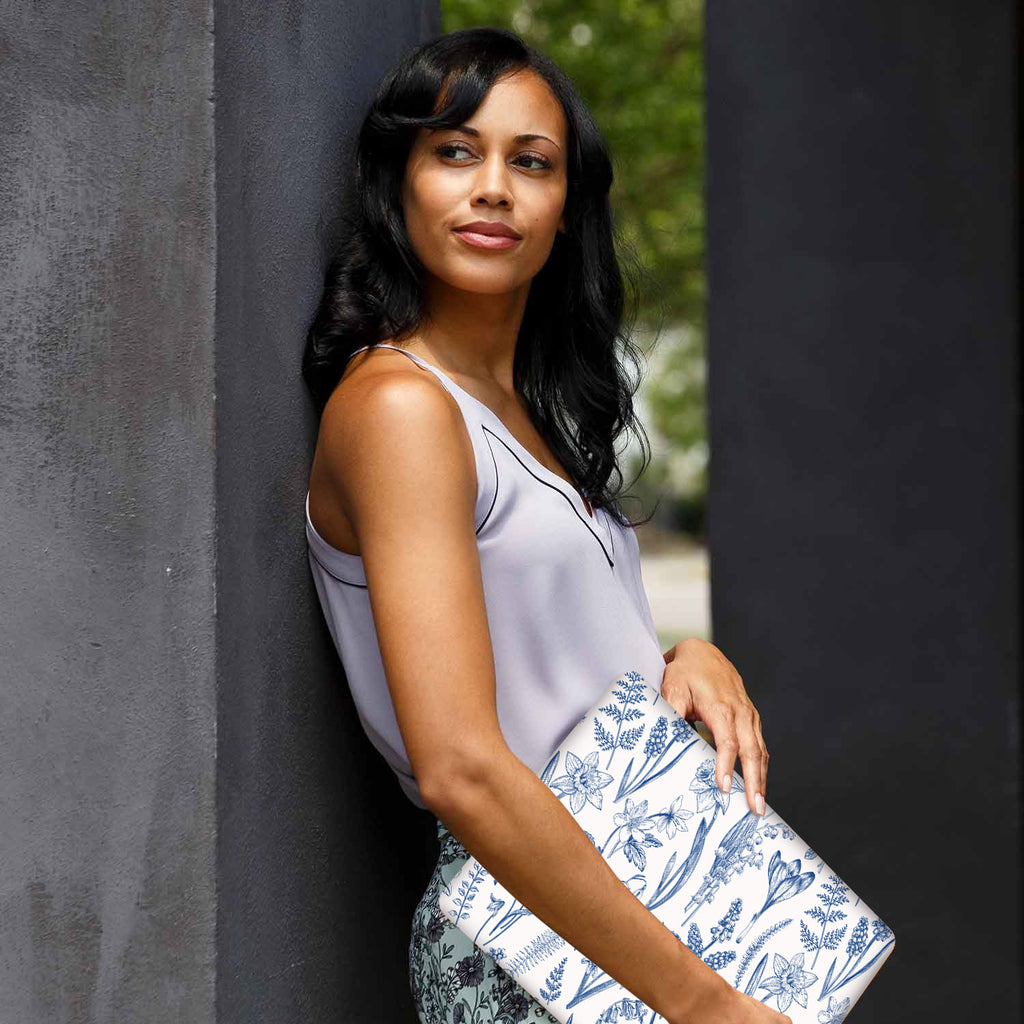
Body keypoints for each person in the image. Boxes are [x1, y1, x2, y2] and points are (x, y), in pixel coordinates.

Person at [301, 26, 788, 1024]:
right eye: (454, 152)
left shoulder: (522, 414)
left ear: (566, 211)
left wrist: (685, 659)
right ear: (398, 184)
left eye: (530, 162)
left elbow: (551, 663)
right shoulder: (401, 407)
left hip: (647, 898)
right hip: (535, 943)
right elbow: (462, 766)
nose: (492, 188)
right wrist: (705, 1005)